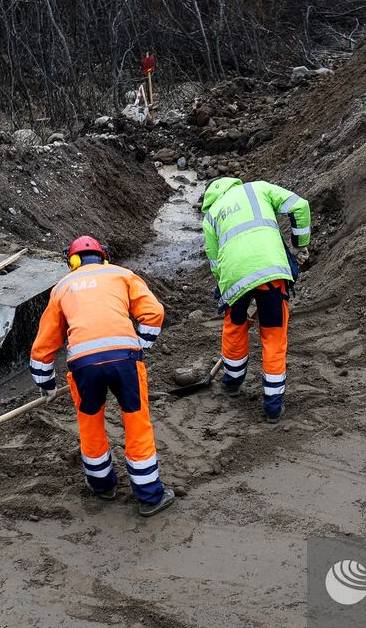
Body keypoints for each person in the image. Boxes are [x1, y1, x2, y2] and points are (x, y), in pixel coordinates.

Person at [29, 235, 173, 517]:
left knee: (90, 425)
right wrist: (140, 346)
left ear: (71, 261)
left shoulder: (61, 288)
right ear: (103, 256)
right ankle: (149, 496)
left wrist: (46, 385)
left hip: (83, 366)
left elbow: (43, 346)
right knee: (136, 422)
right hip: (125, 360)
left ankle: (101, 485)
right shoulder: (121, 274)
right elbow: (153, 313)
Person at [200, 177, 310, 424]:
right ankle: (273, 406)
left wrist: (227, 285)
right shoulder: (258, 188)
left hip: (234, 278)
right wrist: (299, 246)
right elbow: (299, 206)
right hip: (271, 271)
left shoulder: (211, 217)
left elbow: (215, 263)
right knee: (273, 336)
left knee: (235, 327)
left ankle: (232, 383)